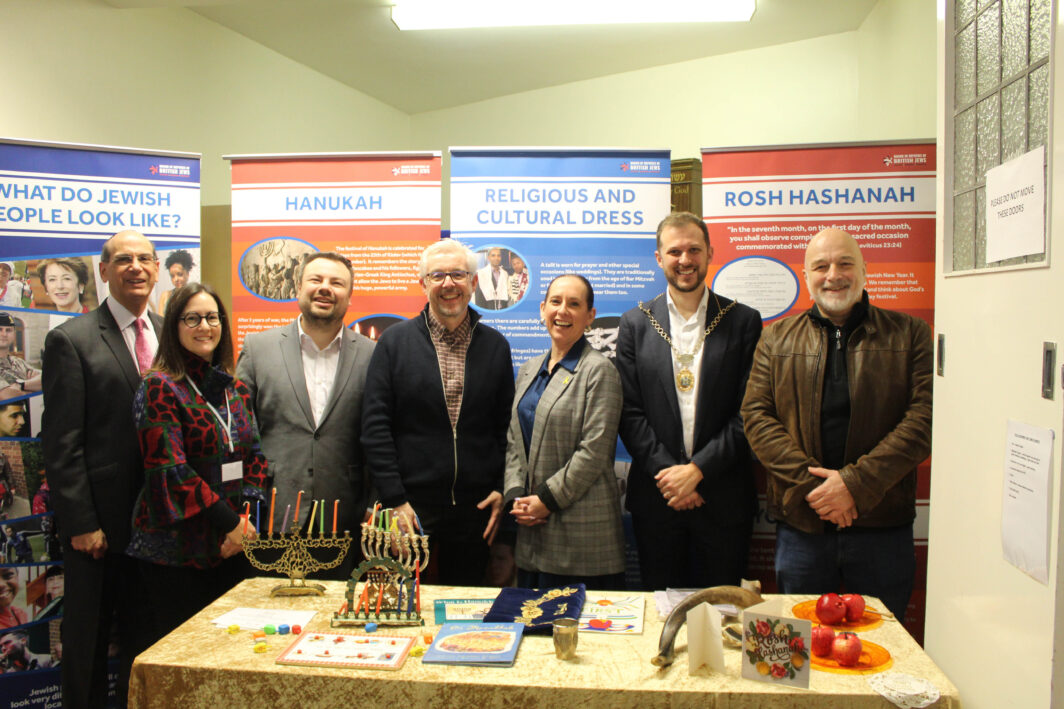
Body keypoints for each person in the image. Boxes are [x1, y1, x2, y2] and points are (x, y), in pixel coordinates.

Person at [741, 228, 932, 622]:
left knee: (884, 653)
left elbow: (923, 420)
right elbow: (757, 418)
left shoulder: (911, 335)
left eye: (845, 263)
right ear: (806, 275)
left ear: (865, 270)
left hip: (881, 526)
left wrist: (855, 486)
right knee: (804, 658)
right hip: (803, 528)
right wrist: (819, 491)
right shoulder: (774, 338)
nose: (834, 275)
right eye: (821, 266)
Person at [41, 229, 162, 708]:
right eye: (123, 260)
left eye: (144, 259)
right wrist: (82, 523)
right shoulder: (71, 340)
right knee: (88, 645)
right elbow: (61, 442)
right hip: (99, 529)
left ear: (156, 269)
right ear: (104, 271)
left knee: (147, 638)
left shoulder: (169, 332)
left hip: (157, 524)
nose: (136, 267)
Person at [617, 212, 762, 590]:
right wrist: (672, 477)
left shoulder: (743, 321)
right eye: (675, 251)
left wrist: (697, 471)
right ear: (659, 258)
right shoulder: (636, 322)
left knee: (722, 613)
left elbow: (750, 412)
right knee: (663, 617)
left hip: (723, 498)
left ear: (710, 253)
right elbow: (629, 413)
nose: (685, 260)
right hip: (657, 498)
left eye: (694, 250)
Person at [362, 239, 514, 586]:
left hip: (476, 510)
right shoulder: (394, 343)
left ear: (473, 283)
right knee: (402, 612)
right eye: (438, 275)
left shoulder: (495, 346)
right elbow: (375, 427)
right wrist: (395, 499)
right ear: (423, 284)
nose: (449, 284)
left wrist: (500, 486)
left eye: (458, 274)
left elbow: (506, 429)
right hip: (409, 510)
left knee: (467, 617)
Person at [128, 283, 266, 644]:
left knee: (229, 653)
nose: (204, 326)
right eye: (192, 318)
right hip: (176, 553)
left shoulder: (235, 389)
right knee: (179, 659)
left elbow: (254, 457)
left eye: (212, 317)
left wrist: (245, 521)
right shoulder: (159, 386)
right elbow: (171, 470)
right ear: (174, 326)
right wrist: (230, 523)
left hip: (232, 545)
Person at [236, 252, 375, 577]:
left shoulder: (373, 354)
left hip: (343, 517)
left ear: (349, 296)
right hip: (270, 514)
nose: (325, 288)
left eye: (336, 283)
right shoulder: (258, 348)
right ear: (298, 287)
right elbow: (241, 433)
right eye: (316, 280)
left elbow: (382, 435)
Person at [505, 274, 625, 589]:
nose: (563, 311)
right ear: (543, 308)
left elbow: (593, 453)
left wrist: (544, 500)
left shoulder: (599, 371)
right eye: (556, 302)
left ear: (590, 316)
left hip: (581, 538)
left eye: (574, 304)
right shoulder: (530, 369)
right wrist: (518, 497)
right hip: (531, 531)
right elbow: (513, 442)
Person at [0, 312, 41, 401]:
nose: (4, 334)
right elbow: (6, 396)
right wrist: (32, 387)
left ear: (14, 334)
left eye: (8, 330)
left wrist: (21, 385)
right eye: (0, 329)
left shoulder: (18, 362)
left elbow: (46, 379)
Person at [157, 249, 195, 314]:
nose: (176, 279)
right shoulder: (165, 296)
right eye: (172, 276)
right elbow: (160, 322)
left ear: (187, 274)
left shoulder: (194, 296)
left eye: (180, 274)